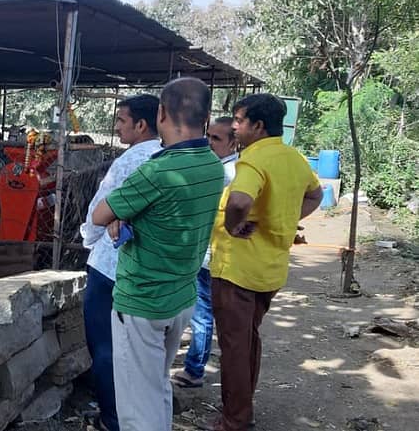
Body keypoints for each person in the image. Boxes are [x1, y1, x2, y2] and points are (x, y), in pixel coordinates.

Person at [91, 77, 226, 431]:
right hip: (181, 296)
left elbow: (100, 215)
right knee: (157, 388)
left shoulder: (157, 171)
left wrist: (122, 214)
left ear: (162, 112)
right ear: (207, 117)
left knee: (136, 407)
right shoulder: (212, 165)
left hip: (142, 302)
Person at [203, 94, 323, 431]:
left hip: (237, 269)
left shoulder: (253, 160)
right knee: (248, 340)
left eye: (239, 121)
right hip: (269, 268)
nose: (235, 127)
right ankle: (240, 410)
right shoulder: (294, 158)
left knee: (235, 347)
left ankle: (235, 419)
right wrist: (282, 218)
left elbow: (240, 199)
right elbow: (315, 194)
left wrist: (230, 224)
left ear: (258, 125)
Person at [79, 94, 161, 431]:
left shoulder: (129, 161)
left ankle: (111, 418)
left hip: (109, 267)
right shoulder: (168, 159)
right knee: (137, 351)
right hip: (146, 271)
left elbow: (99, 212)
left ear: (141, 125)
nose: (116, 127)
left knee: (104, 346)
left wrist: (89, 241)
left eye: (121, 121)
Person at [171, 117, 238, 389]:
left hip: (210, 253)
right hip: (210, 251)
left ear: (233, 142)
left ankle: (195, 369)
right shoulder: (227, 168)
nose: (209, 143)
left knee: (201, 313)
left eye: (217, 139)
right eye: (208, 136)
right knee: (204, 311)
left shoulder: (225, 172)